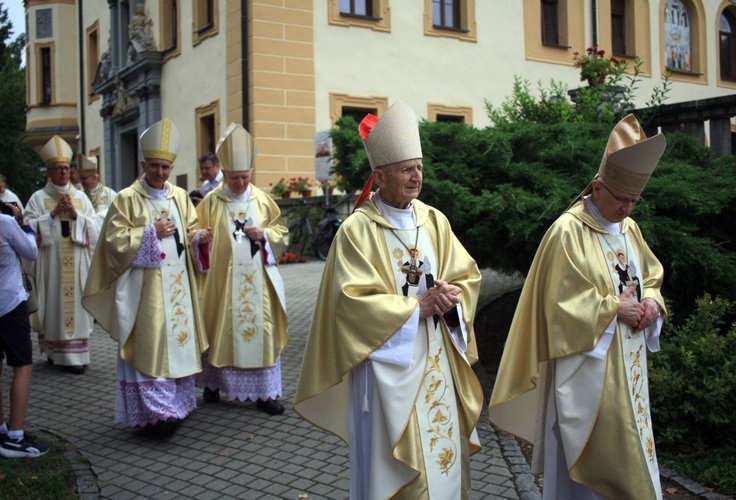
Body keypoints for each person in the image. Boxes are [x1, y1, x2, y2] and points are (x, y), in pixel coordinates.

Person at [295, 100, 483, 499]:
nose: (416, 176)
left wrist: (453, 296)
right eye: (406, 169)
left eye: (419, 166)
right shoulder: (357, 231)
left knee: (442, 452)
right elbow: (350, 303)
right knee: (399, 469)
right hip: (387, 369)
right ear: (379, 176)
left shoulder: (434, 220)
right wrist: (418, 306)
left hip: (438, 358)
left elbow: (467, 275)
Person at [488, 114, 668, 499]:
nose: (627, 209)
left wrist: (652, 302)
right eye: (621, 199)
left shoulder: (629, 229)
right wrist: (612, 309)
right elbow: (557, 306)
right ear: (597, 187)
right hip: (586, 370)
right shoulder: (567, 231)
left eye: (634, 200)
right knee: (592, 467)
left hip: (629, 365)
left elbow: (650, 275)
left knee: (634, 444)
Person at [82, 118, 212, 434]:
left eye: (166, 167)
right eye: (155, 166)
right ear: (143, 164)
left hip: (179, 288)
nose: (160, 172)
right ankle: (154, 414)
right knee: (149, 347)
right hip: (146, 292)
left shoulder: (181, 197)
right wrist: (150, 234)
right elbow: (113, 242)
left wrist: (199, 239)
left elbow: (190, 230)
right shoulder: (127, 198)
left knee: (177, 346)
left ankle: (174, 409)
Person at [196, 123, 289, 415]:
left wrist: (267, 236)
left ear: (251, 174)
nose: (239, 183)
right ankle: (212, 385)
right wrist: (201, 239)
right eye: (234, 177)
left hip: (257, 282)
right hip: (222, 282)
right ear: (224, 174)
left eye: (244, 177)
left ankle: (264, 393)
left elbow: (281, 232)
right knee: (218, 326)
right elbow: (194, 232)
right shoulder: (211, 201)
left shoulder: (261, 200)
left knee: (262, 329)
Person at [23, 136, 100, 375]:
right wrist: (53, 214)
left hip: (77, 263)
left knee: (76, 304)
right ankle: (54, 353)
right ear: (50, 172)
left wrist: (76, 215)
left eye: (67, 168)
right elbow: (26, 228)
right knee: (54, 303)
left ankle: (77, 357)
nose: (65, 172)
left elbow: (95, 228)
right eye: (59, 168)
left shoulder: (80, 198)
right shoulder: (38, 198)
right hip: (52, 265)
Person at [0, 200, 48, 458]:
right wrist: (23, 222)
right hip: (8, 303)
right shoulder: (5, 223)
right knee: (22, 366)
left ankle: (0, 429)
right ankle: (15, 437)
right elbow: (31, 251)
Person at [78, 154, 117, 223]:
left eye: (84, 178)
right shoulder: (80, 195)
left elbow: (116, 214)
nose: (82, 182)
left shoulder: (110, 194)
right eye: (80, 179)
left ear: (94, 177)